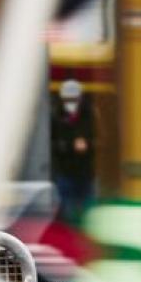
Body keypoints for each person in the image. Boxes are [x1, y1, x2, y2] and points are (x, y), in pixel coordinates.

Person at [50, 78, 96, 223]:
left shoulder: (89, 115)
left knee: (86, 209)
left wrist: (87, 144)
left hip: (86, 171)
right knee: (67, 209)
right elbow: (53, 142)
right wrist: (70, 145)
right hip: (65, 170)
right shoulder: (57, 116)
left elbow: (100, 139)